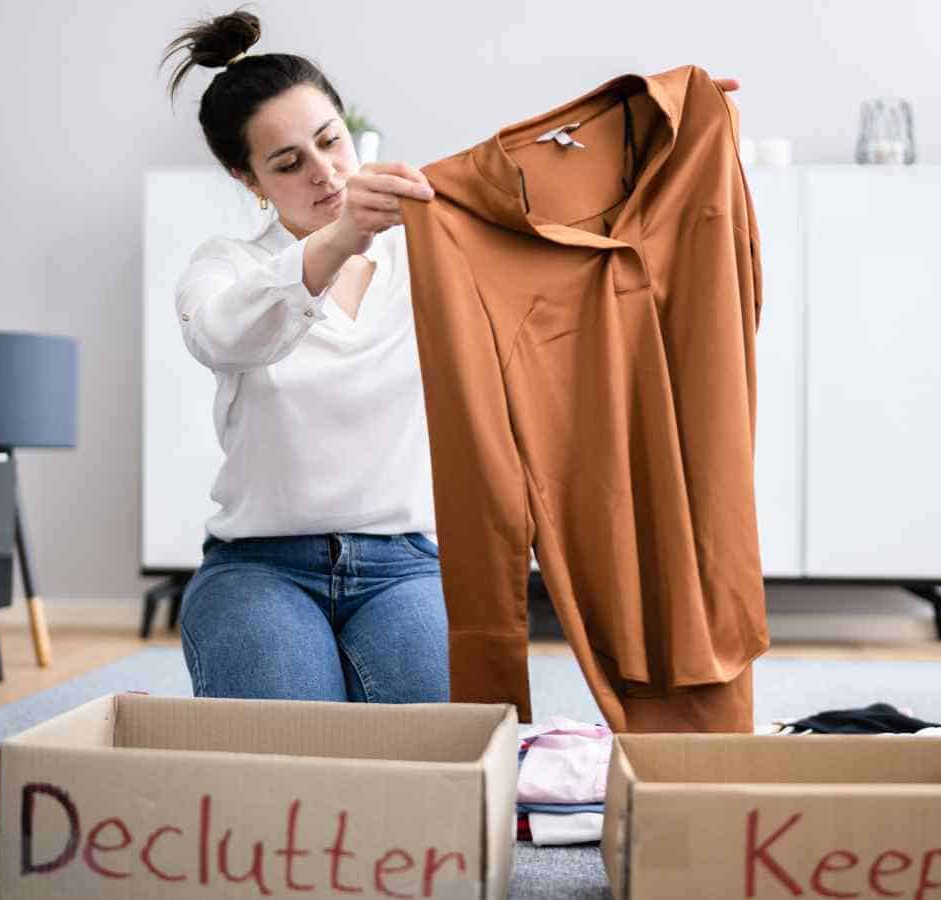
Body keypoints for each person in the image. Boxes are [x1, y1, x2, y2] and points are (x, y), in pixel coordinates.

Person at [161, 9, 739, 705]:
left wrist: (666, 129)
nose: (324, 173)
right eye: (288, 164)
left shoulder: (426, 255)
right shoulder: (226, 266)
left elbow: (548, 207)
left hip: (403, 565)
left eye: (330, 141)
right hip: (260, 567)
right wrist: (340, 239)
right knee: (287, 745)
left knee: (449, 744)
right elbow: (222, 335)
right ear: (248, 179)